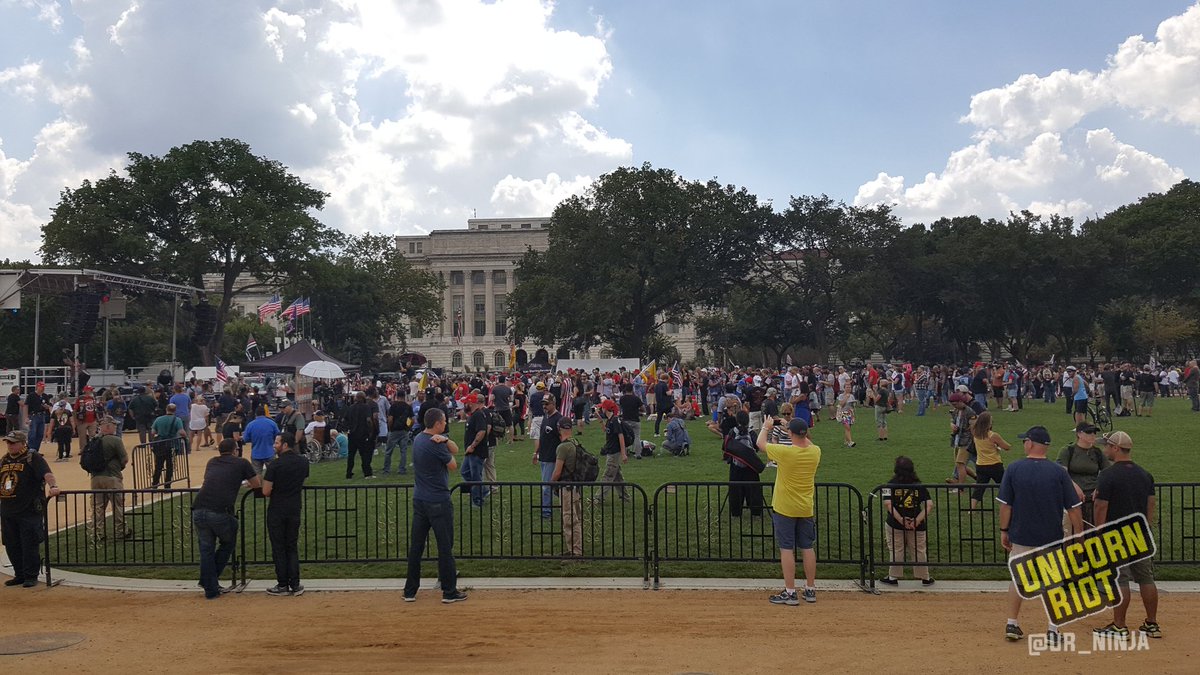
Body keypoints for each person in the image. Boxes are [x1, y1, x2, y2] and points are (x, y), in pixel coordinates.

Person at [997, 425, 1084, 644]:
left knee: (1018, 581)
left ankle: (1012, 623)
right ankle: (1053, 629)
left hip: (1021, 535)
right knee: (1053, 583)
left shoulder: (1014, 468)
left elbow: (1005, 506)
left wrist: (1003, 531)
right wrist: (1079, 536)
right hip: (1051, 537)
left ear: (1030, 443)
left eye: (1024, 441)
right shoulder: (1058, 472)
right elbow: (1074, 508)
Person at [1092, 431, 1161, 639]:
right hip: (1140, 533)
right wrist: (1147, 526)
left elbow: (1101, 506)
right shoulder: (1145, 474)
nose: (1105, 450)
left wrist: (1099, 532)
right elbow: (1151, 503)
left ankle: (1119, 625)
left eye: (1107, 446)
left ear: (1115, 448)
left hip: (1117, 535)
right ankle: (1152, 623)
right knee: (1146, 578)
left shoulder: (1107, 475)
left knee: (1120, 580)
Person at [403, 407, 467, 603]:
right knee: (445, 547)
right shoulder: (435, 444)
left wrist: (446, 440)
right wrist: (444, 443)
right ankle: (449, 591)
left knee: (416, 547)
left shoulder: (419, 439)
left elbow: (455, 448)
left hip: (420, 499)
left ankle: (410, 590)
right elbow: (454, 465)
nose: (446, 423)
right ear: (438, 423)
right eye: (444, 421)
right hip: (438, 500)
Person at [756, 415, 821, 604]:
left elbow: (760, 444)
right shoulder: (815, 452)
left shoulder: (785, 452)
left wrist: (767, 426)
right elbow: (806, 442)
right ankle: (810, 589)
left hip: (785, 507)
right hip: (805, 506)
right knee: (807, 547)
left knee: (786, 549)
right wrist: (791, 427)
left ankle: (791, 591)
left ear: (790, 434)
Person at [192, 439, 260, 599]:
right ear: (235, 450)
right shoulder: (242, 463)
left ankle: (210, 586)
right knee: (228, 543)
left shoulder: (212, 462)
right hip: (219, 510)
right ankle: (209, 582)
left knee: (206, 550)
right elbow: (256, 484)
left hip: (199, 507)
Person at [0, 430, 60, 587]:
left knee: (29, 543)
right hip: (7, 509)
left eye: (13, 442)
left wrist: (53, 486)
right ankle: (19, 574)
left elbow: (47, 474)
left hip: (28, 510)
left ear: (22, 443)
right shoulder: (4, 460)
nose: (10, 445)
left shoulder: (33, 458)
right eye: (8, 442)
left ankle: (31, 575)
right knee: (11, 544)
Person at [263, 431, 310, 596]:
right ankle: (295, 584)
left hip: (277, 509)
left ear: (284, 445)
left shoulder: (275, 465)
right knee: (291, 546)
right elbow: (302, 480)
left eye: (276, 443)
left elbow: (266, 491)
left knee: (278, 547)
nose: (274, 446)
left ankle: (282, 584)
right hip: (294, 507)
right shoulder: (303, 462)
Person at [879, 456, 933, 586]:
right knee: (919, 550)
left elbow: (888, 504)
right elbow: (929, 504)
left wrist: (901, 520)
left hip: (895, 523)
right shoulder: (919, 486)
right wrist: (917, 521)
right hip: (917, 524)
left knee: (896, 549)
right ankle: (925, 577)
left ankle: (893, 577)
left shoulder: (889, 485)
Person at [1055, 422, 1111, 528]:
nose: (1093, 435)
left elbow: (1107, 473)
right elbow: (1062, 473)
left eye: (1094, 432)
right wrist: (1074, 487)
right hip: (1073, 497)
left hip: (1092, 498)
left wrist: (1099, 487)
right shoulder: (1068, 451)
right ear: (1079, 434)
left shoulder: (1097, 453)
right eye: (1089, 432)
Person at [88, 416, 130, 541]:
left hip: (95, 478)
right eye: (114, 425)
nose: (116, 427)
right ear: (107, 426)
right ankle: (120, 531)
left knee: (97, 507)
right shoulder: (115, 440)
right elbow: (125, 458)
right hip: (112, 476)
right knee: (118, 505)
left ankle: (97, 533)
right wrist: (119, 466)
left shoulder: (94, 441)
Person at [551, 417, 585, 557]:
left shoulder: (563, 447)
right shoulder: (575, 442)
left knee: (569, 520)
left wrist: (551, 482)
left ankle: (575, 552)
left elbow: (557, 471)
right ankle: (573, 549)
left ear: (559, 429)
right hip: (576, 486)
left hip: (567, 487)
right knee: (575, 518)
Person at [970, 411, 1011, 509]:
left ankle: (971, 509)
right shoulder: (993, 435)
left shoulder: (975, 433)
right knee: (1005, 485)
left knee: (979, 488)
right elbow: (1007, 447)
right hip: (994, 464)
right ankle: (1009, 505)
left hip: (980, 465)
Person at [533, 395, 563, 519]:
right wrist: (536, 453)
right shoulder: (545, 417)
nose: (544, 407)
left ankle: (546, 512)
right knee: (552, 485)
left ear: (553, 404)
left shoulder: (559, 419)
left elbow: (563, 439)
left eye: (547, 404)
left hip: (553, 458)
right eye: (543, 404)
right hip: (544, 456)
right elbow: (541, 437)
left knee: (547, 486)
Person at [594, 400, 628, 504]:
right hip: (611, 451)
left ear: (606, 408)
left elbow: (621, 436)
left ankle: (598, 498)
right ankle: (625, 497)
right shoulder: (610, 420)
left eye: (602, 407)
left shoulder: (615, 420)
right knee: (617, 476)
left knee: (608, 475)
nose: (601, 409)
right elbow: (606, 430)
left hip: (614, 452)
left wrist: (623, 453)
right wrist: (600, 419)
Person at [460, 394, 491, 508]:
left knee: (475, 476)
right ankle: (482, 490)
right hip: (471, 452)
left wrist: (472, 446)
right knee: (465, 472)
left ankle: (478, 500)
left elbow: (482, 431)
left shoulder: (478, 415)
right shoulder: (472, 415)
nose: (464, 405)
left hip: (477, 452)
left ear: (471, 403)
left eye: (466, 403)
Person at [343, 392, 378, 480]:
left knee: (351, 455)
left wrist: (348, 428)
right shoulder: (366, 407)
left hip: (352, 434)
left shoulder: (350, 408)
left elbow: (344, 420)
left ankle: (348, 473)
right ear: (363, 398)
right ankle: (367, 473)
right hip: (362, 434)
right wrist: (371, 431)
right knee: (365, 455)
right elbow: (369, 420)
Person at [150, 403, 186, 487]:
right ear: (175, 410)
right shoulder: (177, 420)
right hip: (172, 445)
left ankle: (155, 484)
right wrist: (185, 437)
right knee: (170, 465)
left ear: (166, 409)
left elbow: (153, 432)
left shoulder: (158, 419)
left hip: (160, 445)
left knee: (158, 465)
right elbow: (181, 432)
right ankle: (167, 485)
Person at [243, 405, 281, 476]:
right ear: (265, 413)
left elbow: (245, 439)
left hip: (256, 453)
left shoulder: (250, 425)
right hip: (270, 452)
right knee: (273, 474)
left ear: (255, 414)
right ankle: (272, 486)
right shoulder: (272, 423)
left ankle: (259, 486)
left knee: (257, 475)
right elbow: (278, 436)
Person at [383, 392, 413, 475]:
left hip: (394, 430)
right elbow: (412, 419)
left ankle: (386, 469)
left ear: (396, 397)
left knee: (388, 451)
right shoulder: (408, 407)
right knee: (403, 451)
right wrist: (408, 427)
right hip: (404, 430)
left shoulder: (393, 406)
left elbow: (390, 419)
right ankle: (402, 469)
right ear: (404, 397)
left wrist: (390, 428)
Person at [22, 381, 50, 454]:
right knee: (32, 433)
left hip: (42, 415)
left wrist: (47, 407)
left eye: (43, 387)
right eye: (41, 387)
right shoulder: (31, 395)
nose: (43, 388)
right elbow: (26, 406)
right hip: (33, 416)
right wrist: (26, 417)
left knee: (40, 434)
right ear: (37, 387)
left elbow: (48, 405)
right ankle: (31, 449)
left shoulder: (45, 396)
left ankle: (36, 450)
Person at [47, 395, 74, 462]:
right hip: (68, 428)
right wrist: (73, 429)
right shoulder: (68, 412)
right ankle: (67, 455)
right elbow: (72, 421)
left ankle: (60, 456)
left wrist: (49, 431)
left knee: (60, 443)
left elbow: (52, 423)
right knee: (67, 442)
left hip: (59, 429)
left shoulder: (55, 412)